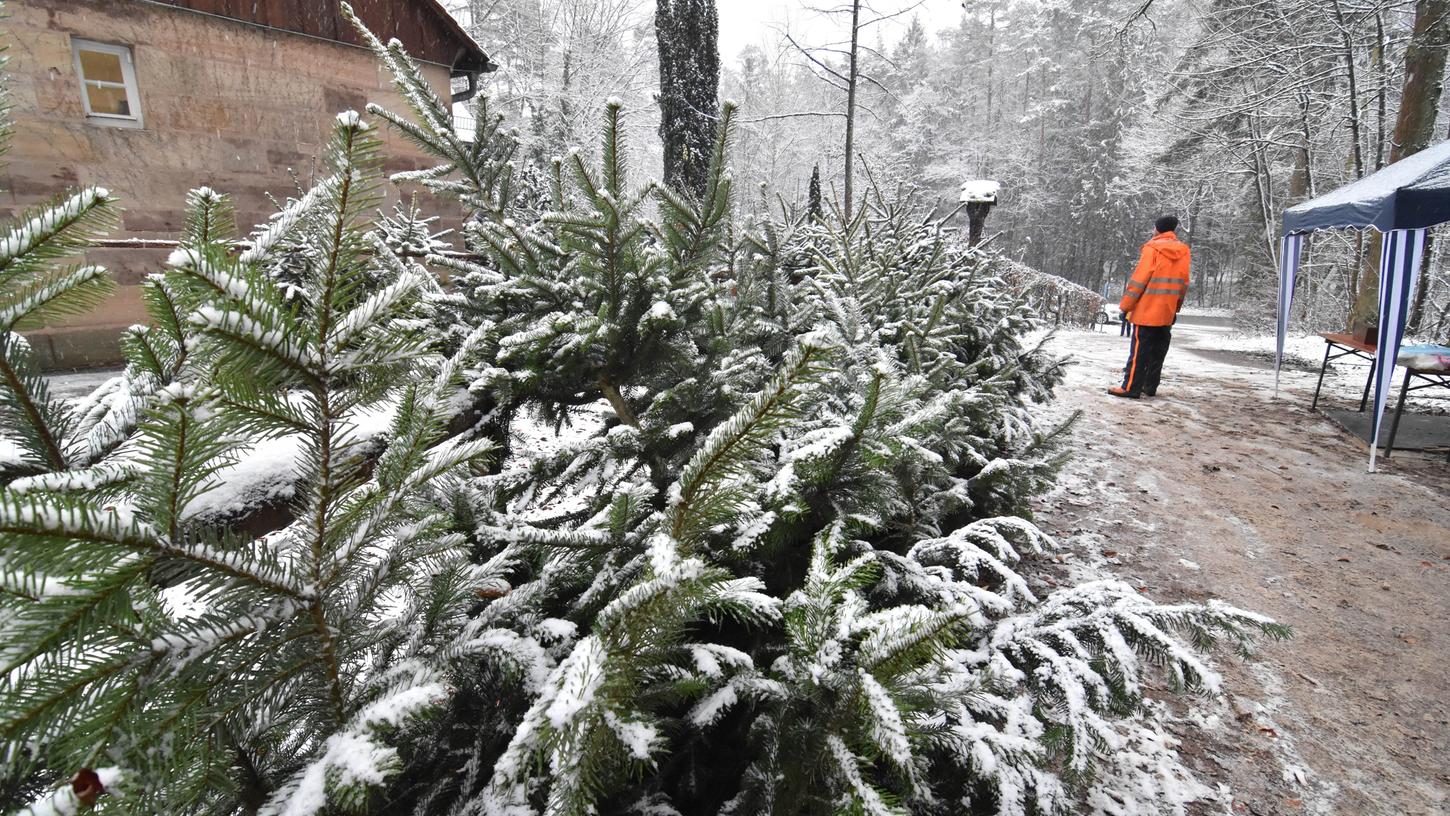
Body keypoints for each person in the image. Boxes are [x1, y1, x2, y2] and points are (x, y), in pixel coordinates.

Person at [1109, 215, 1190, 399]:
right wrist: (1176, 307)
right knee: (1158, 352)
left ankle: (1131, 387)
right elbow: (1184, 283)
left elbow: (1139, 280)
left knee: (1139, 352)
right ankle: (1150, 386)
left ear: (1158, 229)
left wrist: (1126, 306)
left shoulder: (1152, 248)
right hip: (1166, 311)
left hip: (1146, 310)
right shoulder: (1184, 251)